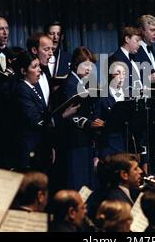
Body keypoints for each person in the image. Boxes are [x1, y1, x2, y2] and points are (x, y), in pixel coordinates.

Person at [60, 46, 104, 190]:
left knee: (89, 184)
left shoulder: (88, 82)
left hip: (88, 139)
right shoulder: (69, 84)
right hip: (75, 140)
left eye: (91, 65)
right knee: (78, 182)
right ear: (75, 65)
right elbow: (70, 114)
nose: (89, 69)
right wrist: (89, 123)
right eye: (85, 65)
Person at [109, 27, 143, 95]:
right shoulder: (115, 58)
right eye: (137, 40)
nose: (140, 44)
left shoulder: (136, 58)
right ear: (127, 39)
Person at [26, 33, 54, 107]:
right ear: (34, 50)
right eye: (46, 49)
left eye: (52, 49)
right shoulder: (26, 78)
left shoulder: (47, 73)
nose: (51, 53)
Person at [135, 15, 155, 84]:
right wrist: (146, 80)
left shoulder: (151, 50)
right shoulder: (135, 50)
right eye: (152, 30)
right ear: (141, 30)